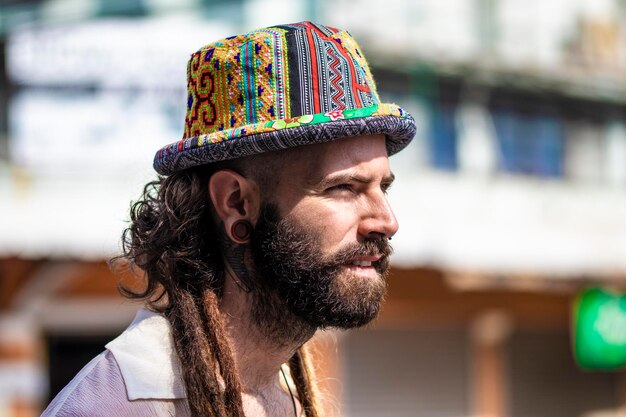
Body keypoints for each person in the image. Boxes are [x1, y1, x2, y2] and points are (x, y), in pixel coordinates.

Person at [41, 21, 415, 417]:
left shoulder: (286, 394)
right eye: (344, 188)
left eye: (383, 188)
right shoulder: (114, 406)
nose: (386, 221)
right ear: (235, 202)